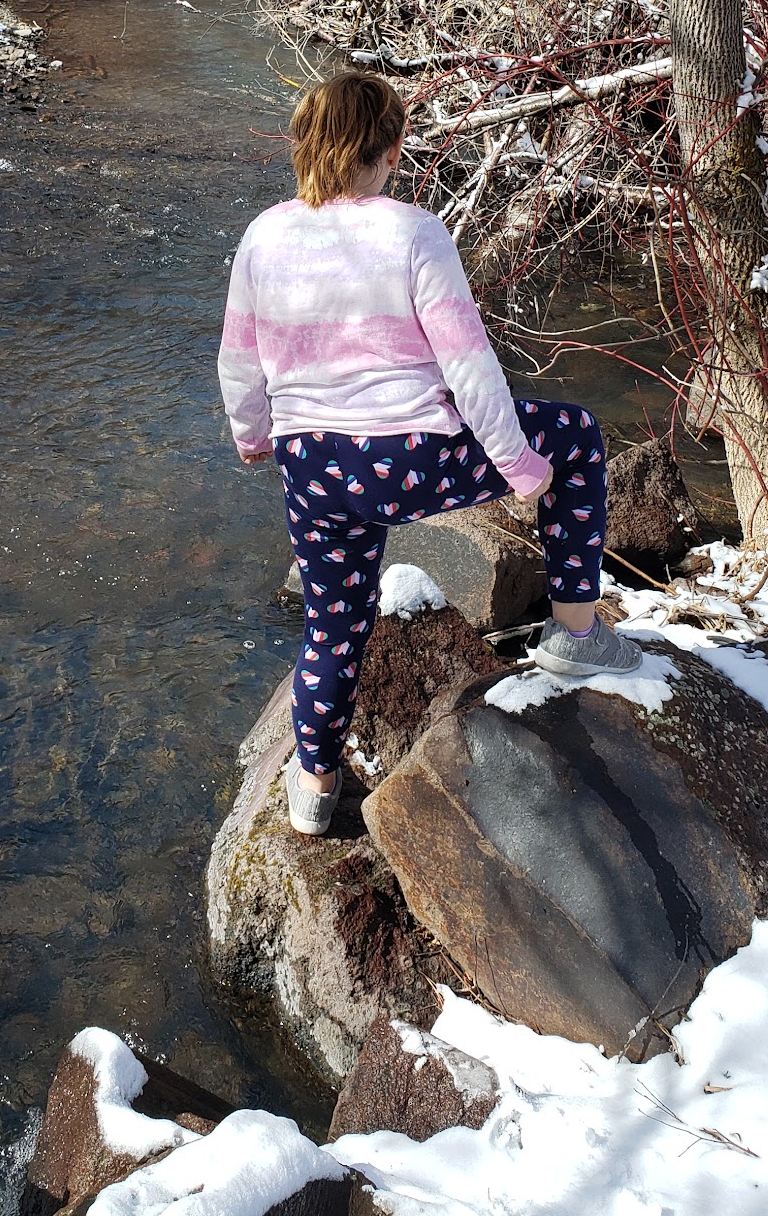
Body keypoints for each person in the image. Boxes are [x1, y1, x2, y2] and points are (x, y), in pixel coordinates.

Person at [218, 71, 641, 836]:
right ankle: (577, 635)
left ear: (305, 144)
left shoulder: (264, 234)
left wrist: (253, 436)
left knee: (333, 620)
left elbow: (239, 359)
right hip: (409, 458)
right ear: (392, 145)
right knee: (575, 436)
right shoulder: (413, 231)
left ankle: (314, 786)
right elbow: (470, 369)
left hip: (312, 465)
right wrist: (519, 467)